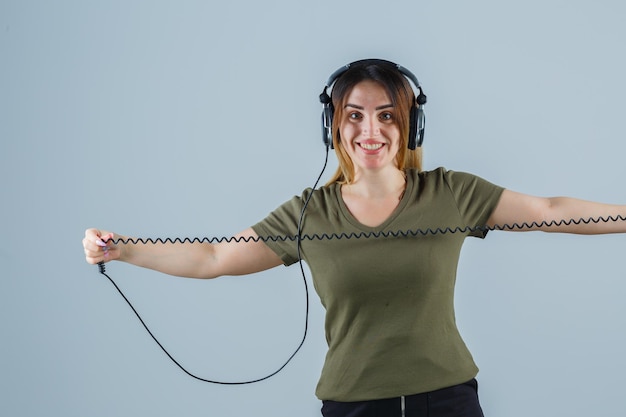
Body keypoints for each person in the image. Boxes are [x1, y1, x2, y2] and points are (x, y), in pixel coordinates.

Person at [82, 59, 626, 417]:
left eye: (388, 115)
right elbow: (214, 257)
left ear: (410, 125)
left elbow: (548, 209)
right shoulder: (309, 212)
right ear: (335, 127)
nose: (371, 131)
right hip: (354, 404)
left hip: (449, 401)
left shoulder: (452, 194)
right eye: (355, 115)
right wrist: (123, 248)